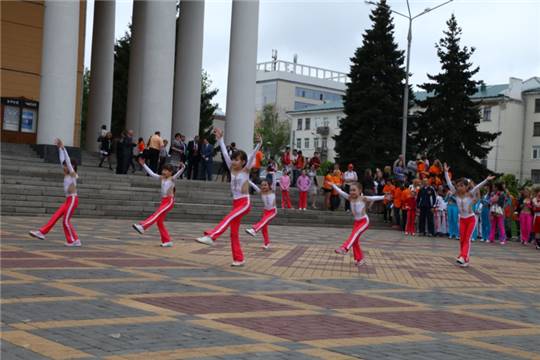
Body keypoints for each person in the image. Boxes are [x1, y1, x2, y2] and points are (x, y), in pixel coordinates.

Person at [196, 128, 262, 267]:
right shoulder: (231, 169)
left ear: (243, 162)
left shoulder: (246, 170)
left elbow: (251, 156)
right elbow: (225, 154)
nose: (233, 161)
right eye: (233, 159)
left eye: (236, 159)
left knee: (227, 218)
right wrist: (220, 139)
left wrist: (259, 144)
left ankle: (212, 236)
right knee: (233, 233)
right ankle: (239, 259)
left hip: (244, 203)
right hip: (236, 203)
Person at [29, 139, 80, 246]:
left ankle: (72, 241)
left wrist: (63, 148)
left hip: (73, 200)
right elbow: (62, 159)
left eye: (65, 166)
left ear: (72, 167)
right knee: (56, 216)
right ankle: (42, 232)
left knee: (65, 221)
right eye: (64, 166)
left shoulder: (72, 174)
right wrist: (59, 149)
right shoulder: (67, 173)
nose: (64, 167)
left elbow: (67, 161)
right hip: (68, 200)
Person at [444, 163, 495, 267]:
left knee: (467, 238)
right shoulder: (456, 193)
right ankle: (464, 257)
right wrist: (445, 172)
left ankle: (463, 257)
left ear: (466, 186)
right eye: (458, 186)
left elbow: (477, 186)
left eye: (461, 185)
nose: (459, 187)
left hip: (471, 219)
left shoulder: (470, 193)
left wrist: (486, 180)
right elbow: (449, 184)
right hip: (462, 219)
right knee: (462, 239)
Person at [330, 181, 386, 266]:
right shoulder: (350, 198)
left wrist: (384, 196)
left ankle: (344, 248)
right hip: (357, 222)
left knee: (354, 234)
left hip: (364, 221)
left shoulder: (363, 198)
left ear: (359, 190)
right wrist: (333, 185)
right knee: (355, 241)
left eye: (354, 190)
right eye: (350, 190)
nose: (351, 192)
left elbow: (374, 198)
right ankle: (360, 259)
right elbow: (341, 192)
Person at [133, 158, 185, 247]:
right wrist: (143, 165)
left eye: (166, 170)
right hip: (163, 201)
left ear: (170, 172)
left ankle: (143, 226)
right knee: (159, 222)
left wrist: (183, 167)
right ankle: (167, 241)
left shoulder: (172, 179)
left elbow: (178, 173)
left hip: (169, 201)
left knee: (156, 214)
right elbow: (152, 173)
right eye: (163, 170)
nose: (163, 172)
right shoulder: (161, 178)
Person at [245, 178, 277, 250]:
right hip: (266, 211)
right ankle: (267, 244)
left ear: (269, 186)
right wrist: (248, 181)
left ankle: (254, 230)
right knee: (264, 228)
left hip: (272, 211)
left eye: (265, 185)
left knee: (263, 221)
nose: (263, 187)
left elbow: (274, 182)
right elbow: (255, 186)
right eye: (262, 185)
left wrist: (273, 173)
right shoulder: (261, 192)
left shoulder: (272, 191)